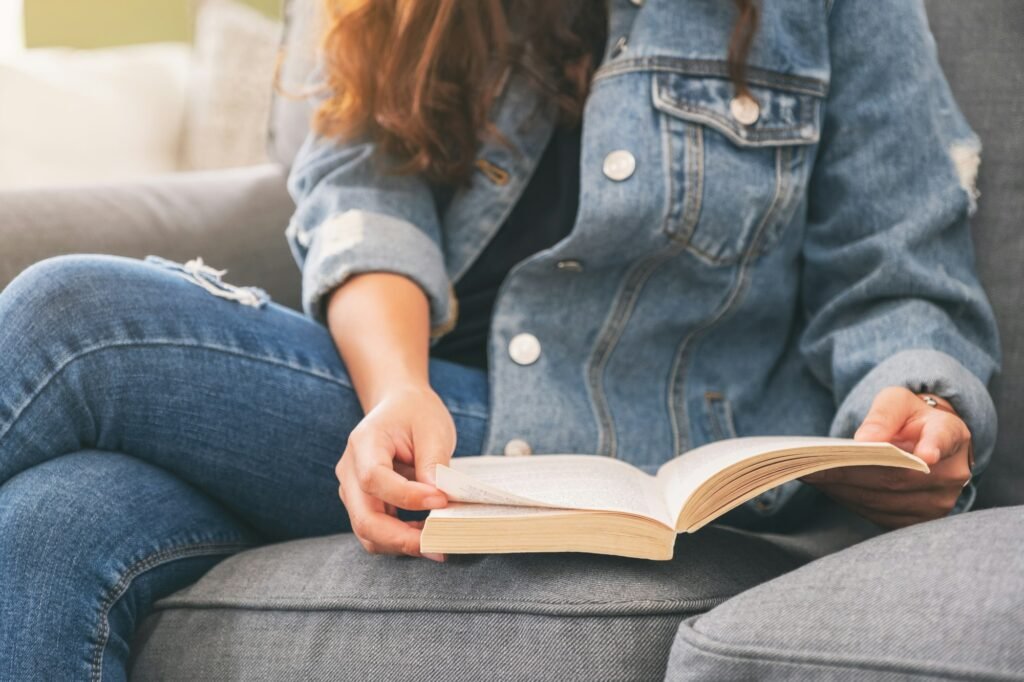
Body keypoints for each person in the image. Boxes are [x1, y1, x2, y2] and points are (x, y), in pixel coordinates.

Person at [0, 0, 1000, 679]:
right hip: (405, 411)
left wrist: (919, 405)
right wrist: (394, 393)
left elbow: (896, 262)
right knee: (57, 520)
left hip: (631, 440)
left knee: (71, 318)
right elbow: (360, 200)